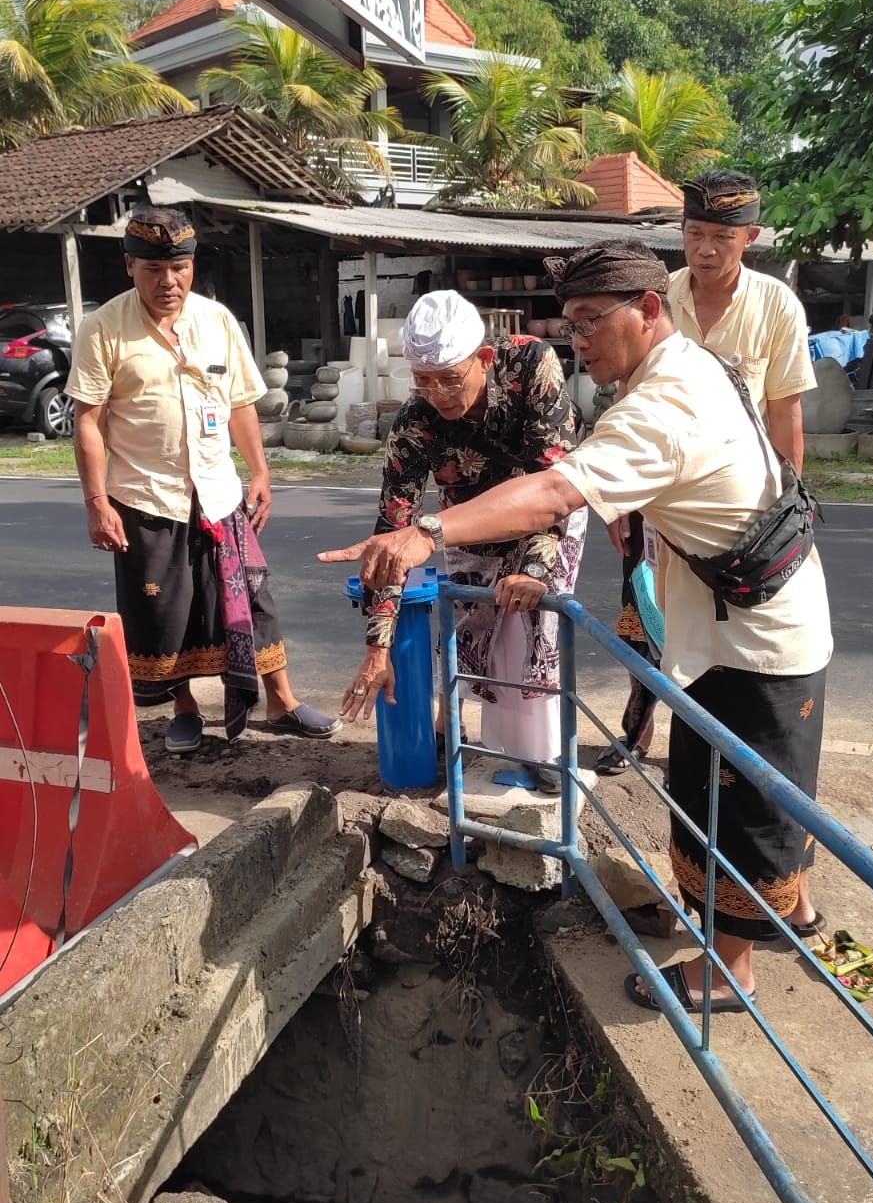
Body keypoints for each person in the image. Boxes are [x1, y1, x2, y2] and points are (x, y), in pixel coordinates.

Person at [320, 243, 833, 1014]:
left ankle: (727, 974)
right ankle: (794, 910)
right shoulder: (680, 367)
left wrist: (429, 531)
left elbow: (557, 488)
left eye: (594, 322)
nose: (580, 339)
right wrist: (382, 631)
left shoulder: (653, 404)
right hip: (738, 610)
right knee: (762, 783)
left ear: (650, 310)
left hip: (753, 636)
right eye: (571, 323)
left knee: (738, 796)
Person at [67, 205, 340, 754]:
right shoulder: (104, 329)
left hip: (218, 494)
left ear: (192, 265)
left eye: (180, 268)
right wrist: (97, 501)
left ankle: (282, 701)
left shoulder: (216, 320)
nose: (169, 281)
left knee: (253, 604)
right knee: (166, 613)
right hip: (147, 498)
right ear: (129, 266)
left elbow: (239, 402)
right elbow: (89, 420)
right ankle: (185, 708)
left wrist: (259, 470)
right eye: (153, 270)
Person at [596, 171, 817, 811]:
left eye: (723, 236)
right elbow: (627, 393)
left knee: (735, 630)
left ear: (749, 236)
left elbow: (786, 416)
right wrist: (621, 499)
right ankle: (638, 731)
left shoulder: (776, 306)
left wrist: (785, 514)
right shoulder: (656, 297)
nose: (707, 249)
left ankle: (730, 749)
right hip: (659, 494)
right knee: (645, 614)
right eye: (695, 233)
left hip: (737, 510)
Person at [338, 290, 588, 792]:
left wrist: (535, 571)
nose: (438, 394)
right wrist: (377, 647)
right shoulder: (415, 423)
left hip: (547, 513)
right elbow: (394, 533)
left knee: (531, 630)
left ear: (484, 359)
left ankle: (547, 758)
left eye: (450, 378)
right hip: (467, 527)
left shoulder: (529, 365)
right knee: (480, 642)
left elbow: (553, 483)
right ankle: (496, 755)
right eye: (423, 380)